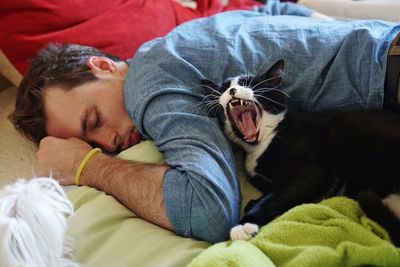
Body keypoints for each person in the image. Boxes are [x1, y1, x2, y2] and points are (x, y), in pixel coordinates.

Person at [8, 1, 400, 243]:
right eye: (95, 146)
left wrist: (87, 166)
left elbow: (208, 211)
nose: (111, 141)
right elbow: (277, 10)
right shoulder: (185, 39)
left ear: (104, 66)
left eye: (93, 120)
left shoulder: (147, 82)